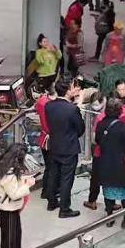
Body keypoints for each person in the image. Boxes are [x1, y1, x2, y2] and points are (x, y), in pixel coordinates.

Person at [45, 79, 85, 217]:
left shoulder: (49, 106)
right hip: (69, 147)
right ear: (68, 91)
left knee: (53, 174)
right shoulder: (72, 109)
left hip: (54, 144)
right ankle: (64, 208)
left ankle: (51, 202)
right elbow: (80, 129)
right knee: (66, 178)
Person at [95, 97, 125, 226]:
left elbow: (97, 140)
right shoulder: (122, 127)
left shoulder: (101, 124)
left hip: (105, 162)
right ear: (119, 111)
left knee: (108, 191)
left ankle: (109, 217)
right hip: (120, 163)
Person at [0, 143, 36, 248]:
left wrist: (23, 180)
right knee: (10, 238)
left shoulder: (5, 168)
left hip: (10, 208)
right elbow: (14, 194)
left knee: (14, 235)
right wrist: (27, 185)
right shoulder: (8, 174)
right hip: (8, 209)